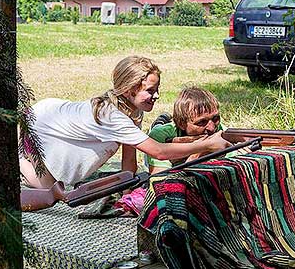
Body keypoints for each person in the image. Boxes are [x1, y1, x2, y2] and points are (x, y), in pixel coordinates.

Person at [19, 56, 231, 188]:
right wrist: (207, 144)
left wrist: (126, 188)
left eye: (156, 90)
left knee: (62, 182)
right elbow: (159, 152)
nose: (156, 96)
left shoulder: (131, 112)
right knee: (49, 186)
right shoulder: (111, 116)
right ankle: (9, 157)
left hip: (47, 114)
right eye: (150, 91)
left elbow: (129, 158)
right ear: (130, 90)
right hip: (38, 122)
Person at [146, 86, 226, 174]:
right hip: (162, 131)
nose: (212, 128)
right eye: (202, 122)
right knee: (157, 127)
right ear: (182, 124)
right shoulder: (160, 137)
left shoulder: (220, 130)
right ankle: (160, 121)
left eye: (215, 118)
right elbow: (161, 181)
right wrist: (197, 153)